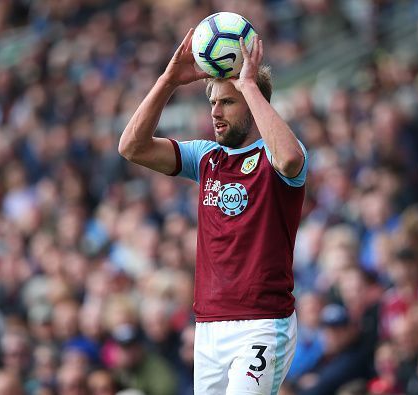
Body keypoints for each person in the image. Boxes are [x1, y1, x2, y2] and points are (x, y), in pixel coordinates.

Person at [119, 28, 308, 394]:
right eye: (213, 103)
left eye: (227, 102)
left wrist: (250, 86)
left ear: (253, 105)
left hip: (263, 323)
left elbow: (289, 159)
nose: (216, 112)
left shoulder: (275, 154)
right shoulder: (206, 157)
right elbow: (132, 146)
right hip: (209, 326)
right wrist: (168, 80)